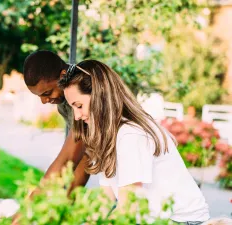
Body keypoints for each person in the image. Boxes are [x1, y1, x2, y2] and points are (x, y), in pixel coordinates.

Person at [58, 60, 210, 224]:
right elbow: (106, 199)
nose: (76, 116)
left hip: (181, 221)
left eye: (79, 106)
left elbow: (128, 207)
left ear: (100, 96)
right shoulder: (107, 136)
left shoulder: (130, 135)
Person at [23, 50, 90, 195]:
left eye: (46, 93)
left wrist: (32, 204)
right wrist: (68, 200)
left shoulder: (83, 90)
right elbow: (85, 154)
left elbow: (68, 158)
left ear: (63, 75)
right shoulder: (63, 99)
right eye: (39, 96)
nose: (44, 101)